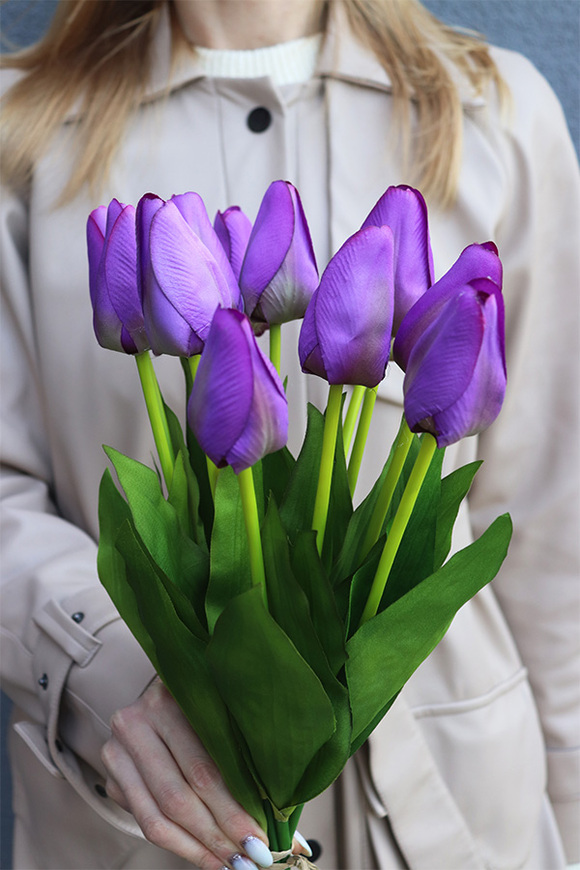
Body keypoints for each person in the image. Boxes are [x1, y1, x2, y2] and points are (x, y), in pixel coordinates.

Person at [1, 1, 579, 868]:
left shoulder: (495, 110)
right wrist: (115, 665)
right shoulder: (22, 132)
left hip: (458, 820)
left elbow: (552, 527)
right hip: (148, 828)